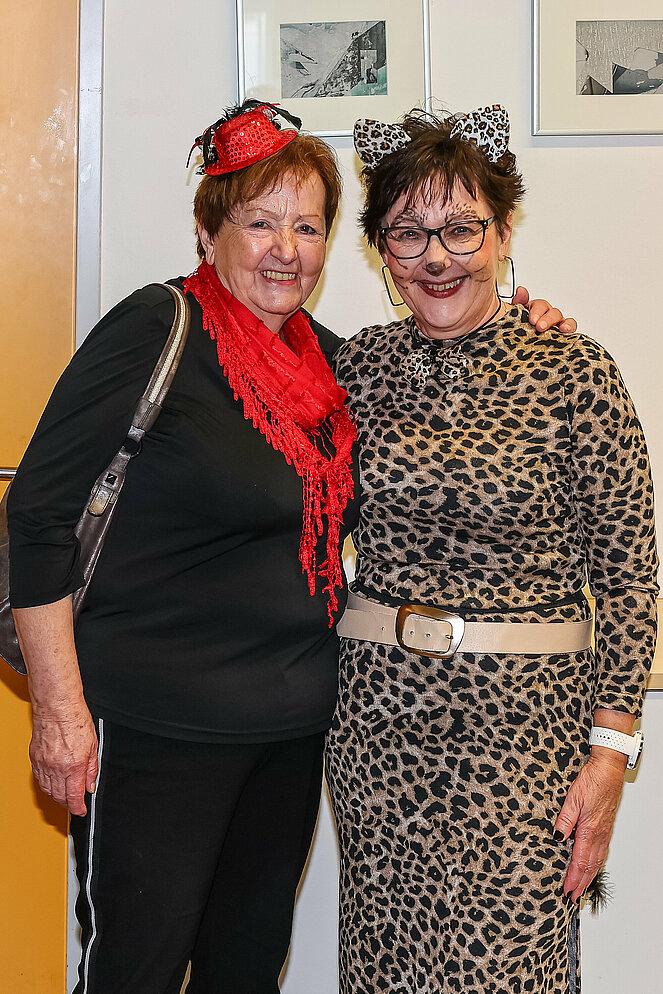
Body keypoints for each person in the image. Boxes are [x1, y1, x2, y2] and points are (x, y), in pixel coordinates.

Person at [8, 99, 572, 994]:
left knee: (245, 970)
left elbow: (446, 374)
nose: (286, 249)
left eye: (307, 227)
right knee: (134, 971)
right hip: (157, 731)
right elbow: (37, 515)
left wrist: (524, 328)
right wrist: (59, 711)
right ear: (208, 231)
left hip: (292, 731)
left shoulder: (332, 366)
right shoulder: (158, 330)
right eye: (259, 222)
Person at [325, 105, 658, 994]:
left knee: (504, 970)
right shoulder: (352, 369)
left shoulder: (574, 371)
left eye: (461, 229)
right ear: (381, 251)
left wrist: (610, 756)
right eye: (408, 233)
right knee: (385, 966)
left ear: (504, 232)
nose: (436, 257)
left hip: (526, 740)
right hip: (376, 730)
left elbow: (629, 581)